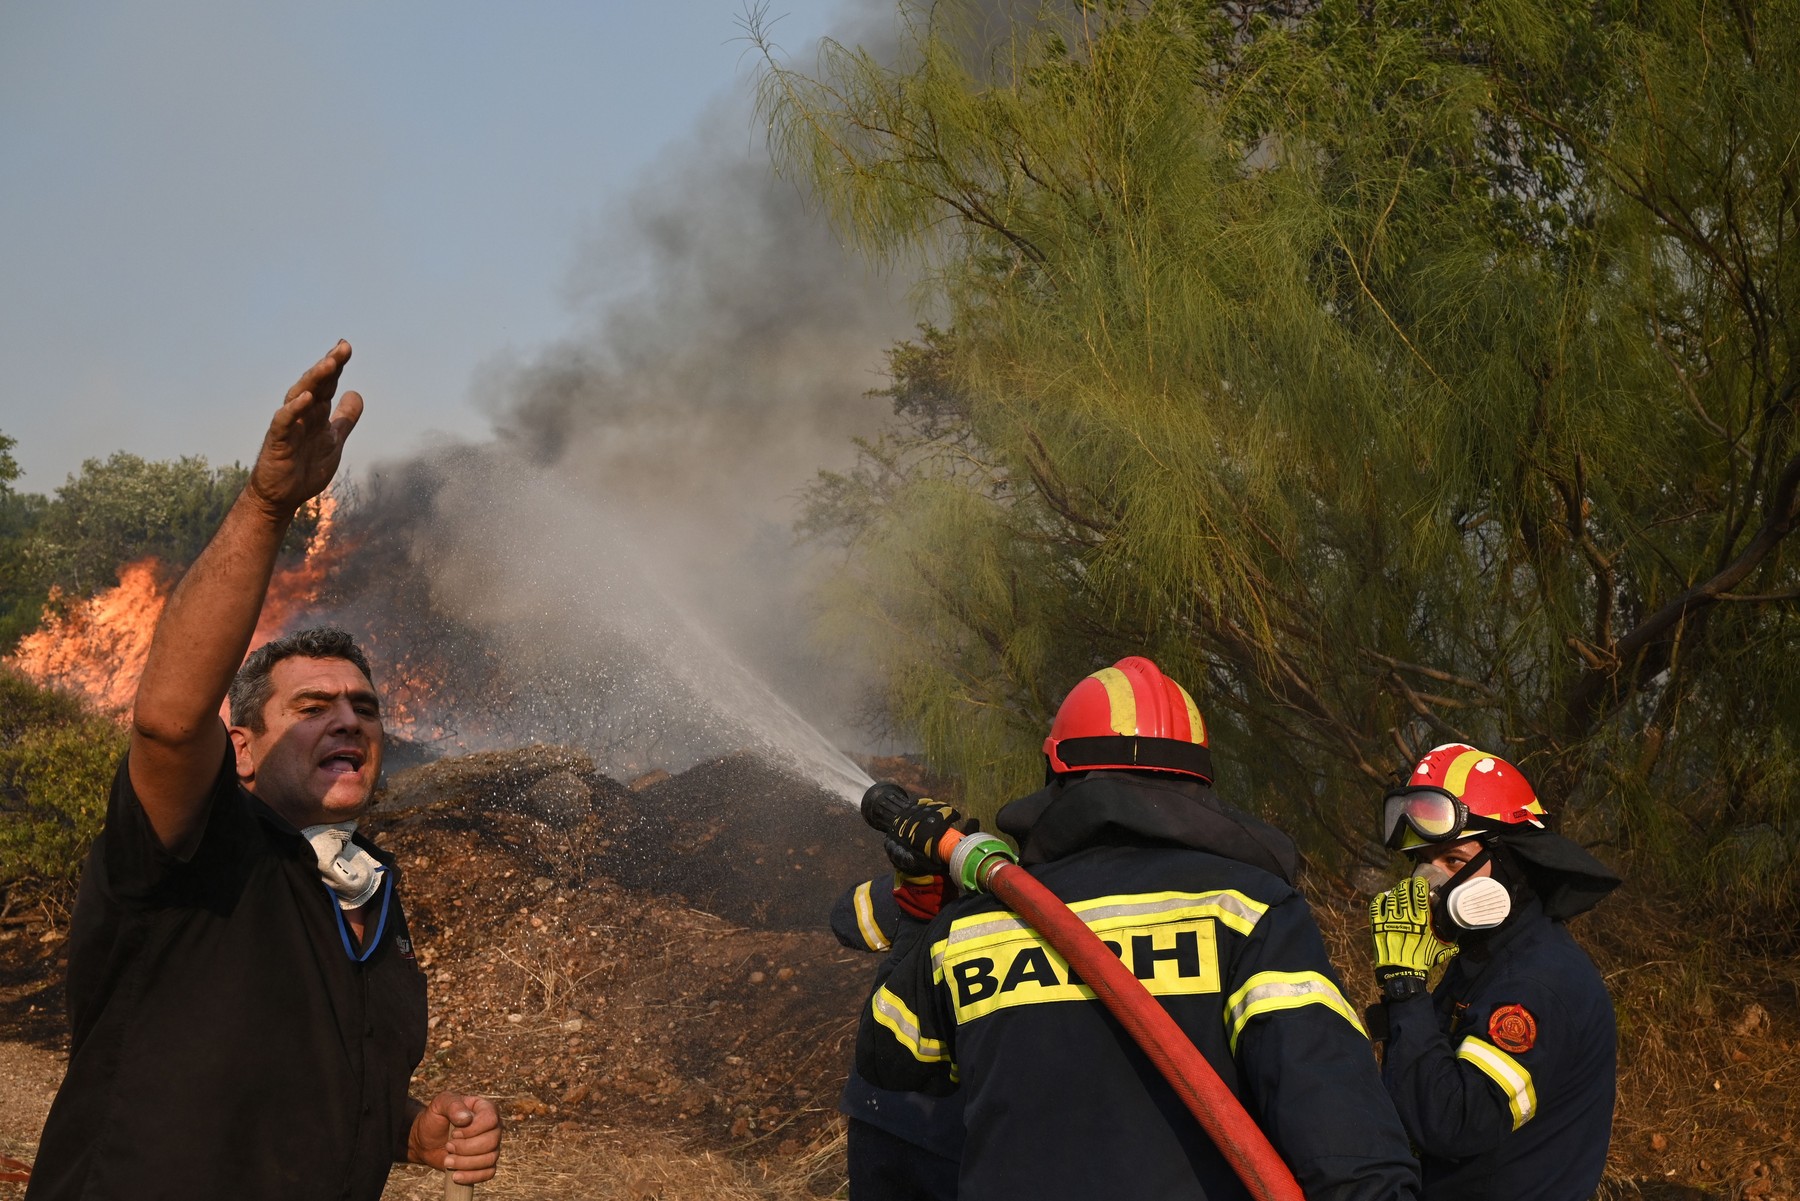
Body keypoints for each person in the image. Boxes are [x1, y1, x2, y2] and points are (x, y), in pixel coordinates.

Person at [26, 342, 501, 1201]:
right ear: (241, 747)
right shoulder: (193, 850)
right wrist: (267, 505)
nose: (349, 718)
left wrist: (410, 1127)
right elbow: (169, 724)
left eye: (363, 706)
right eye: (311, 707)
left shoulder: (366, 887)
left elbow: (309, 1071)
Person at [858, 656, 1420, 1201]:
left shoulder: (976, 928)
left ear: (1056, 772)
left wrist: (921, 908)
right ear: (1199, 780)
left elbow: (890, 1056)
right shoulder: (1247, 911)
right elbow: (1341, 1138)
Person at [1368, 742, 1621, 1201]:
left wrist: (1406, 989)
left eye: (1453, 860)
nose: (1427, 884)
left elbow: (1452, 1124)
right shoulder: (1487, 957)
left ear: (1511, 862)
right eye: (1421, 863)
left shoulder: (1534, 984)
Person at [829, 840, 965, 1200]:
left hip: (883, 1111)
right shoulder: (1033, 898)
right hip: (953, 1132)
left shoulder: (949, 882)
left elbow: (846, 921)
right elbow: (847, 918)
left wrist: (919, 881)